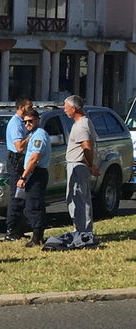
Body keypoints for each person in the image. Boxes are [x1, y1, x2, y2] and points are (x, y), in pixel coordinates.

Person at [63, 95, 99, 233]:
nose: (64, 110)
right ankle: (81, 229)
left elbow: (86, 146)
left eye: (66, 108)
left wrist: (90, 164)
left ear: (73, 109)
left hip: (78, 166)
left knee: (78, 199)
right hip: (78, 164)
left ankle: (82, 231)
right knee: (78, 198)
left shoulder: (80, 126)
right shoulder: (84, 122)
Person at [15, 109, 50, 247]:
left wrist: (23, 177)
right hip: (33, 172)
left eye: (31, 121)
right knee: (31, 205)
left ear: (38, 120)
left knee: (33, 206)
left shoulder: (39, 135)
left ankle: (37, 238)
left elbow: (34, 158)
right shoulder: (32, 135)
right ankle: (37, 236)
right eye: (25, 122)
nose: (27, 124)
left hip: (36, 173)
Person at [5, 97, 33, 241]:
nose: (32, 108)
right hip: (16, 160)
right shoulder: (16, 124)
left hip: (21, 160)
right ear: (21, 107)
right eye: (30, 106)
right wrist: (30, 136)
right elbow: (19, 147)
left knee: (22, 196)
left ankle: (19, 229)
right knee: (16, 196)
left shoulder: (22, 122)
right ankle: (11, 230)